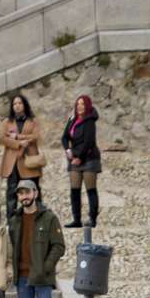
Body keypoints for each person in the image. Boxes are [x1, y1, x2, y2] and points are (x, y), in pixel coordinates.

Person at [8, 179, 64, 298]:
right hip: (22, 278)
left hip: (42, 278)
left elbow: (59, 246)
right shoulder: (14, 219)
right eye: (20, 193)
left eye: (27, 192)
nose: (24, 197)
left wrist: (46, 268)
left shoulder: (48, 218)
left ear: (35, 194)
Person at [0, 91, 45, 218]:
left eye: (20, 103)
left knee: (33, 189)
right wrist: (18, 143)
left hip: (29, 160)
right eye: (14, 104)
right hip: (12, 161)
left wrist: (19, 136)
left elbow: (36, 136)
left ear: (24, 105)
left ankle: (38, 216)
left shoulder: (33, 121)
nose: (17, 105)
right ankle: (11, 220)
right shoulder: (7, 122)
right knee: (12, 191)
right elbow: (3, 138)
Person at [61, 92, 101, 229]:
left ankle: (92, 218)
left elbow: (89, 141)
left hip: (89, 157)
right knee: (74, 189)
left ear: (87, 105)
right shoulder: (72, 119)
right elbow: (64, 137)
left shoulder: (90, 121)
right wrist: (68, 150)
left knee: (90, 189)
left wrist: (79, 157)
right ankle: (76, 219)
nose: (80, 107)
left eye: (82, 104)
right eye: (78, 104)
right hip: (74, 157)